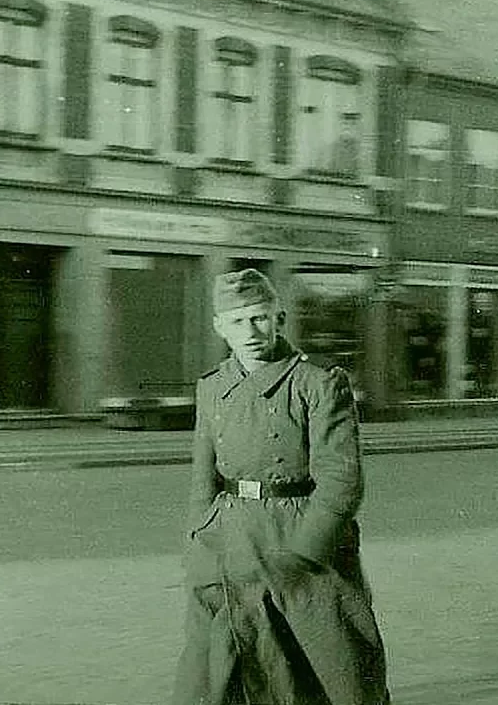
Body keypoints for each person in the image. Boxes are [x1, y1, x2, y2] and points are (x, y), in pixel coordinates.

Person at [172, 268, 389, 705]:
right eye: (237, 321)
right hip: (229, 541)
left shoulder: (319, 382)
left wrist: (305, 553)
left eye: (259, 318)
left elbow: (341, 480)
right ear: (219, 327)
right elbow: (203, 476)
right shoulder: (212, 387)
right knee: (216, 674)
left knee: (333, 671)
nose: (250, 332)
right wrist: (198, 537)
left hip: (298, 541)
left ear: (280, 318)